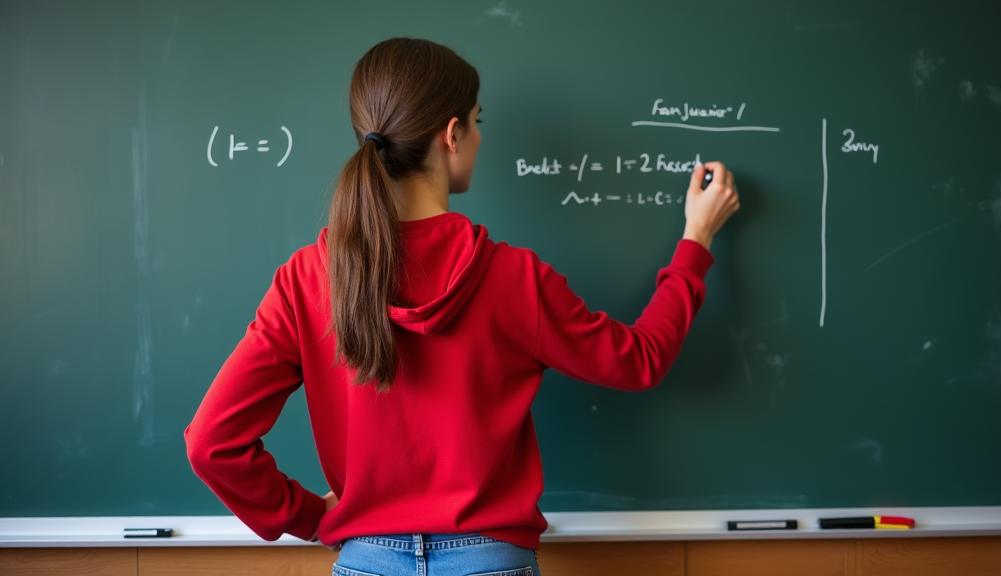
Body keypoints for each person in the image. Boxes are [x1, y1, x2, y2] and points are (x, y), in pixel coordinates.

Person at [184, 37, 739, 576]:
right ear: (452, 133)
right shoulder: (515, 277)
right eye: (478, 120)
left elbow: (212, 443)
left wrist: (309, 515)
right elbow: (638, 360)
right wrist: (696, 240)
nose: (477, 137)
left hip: (366, 560)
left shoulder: (308, 277)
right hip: (491, 560)